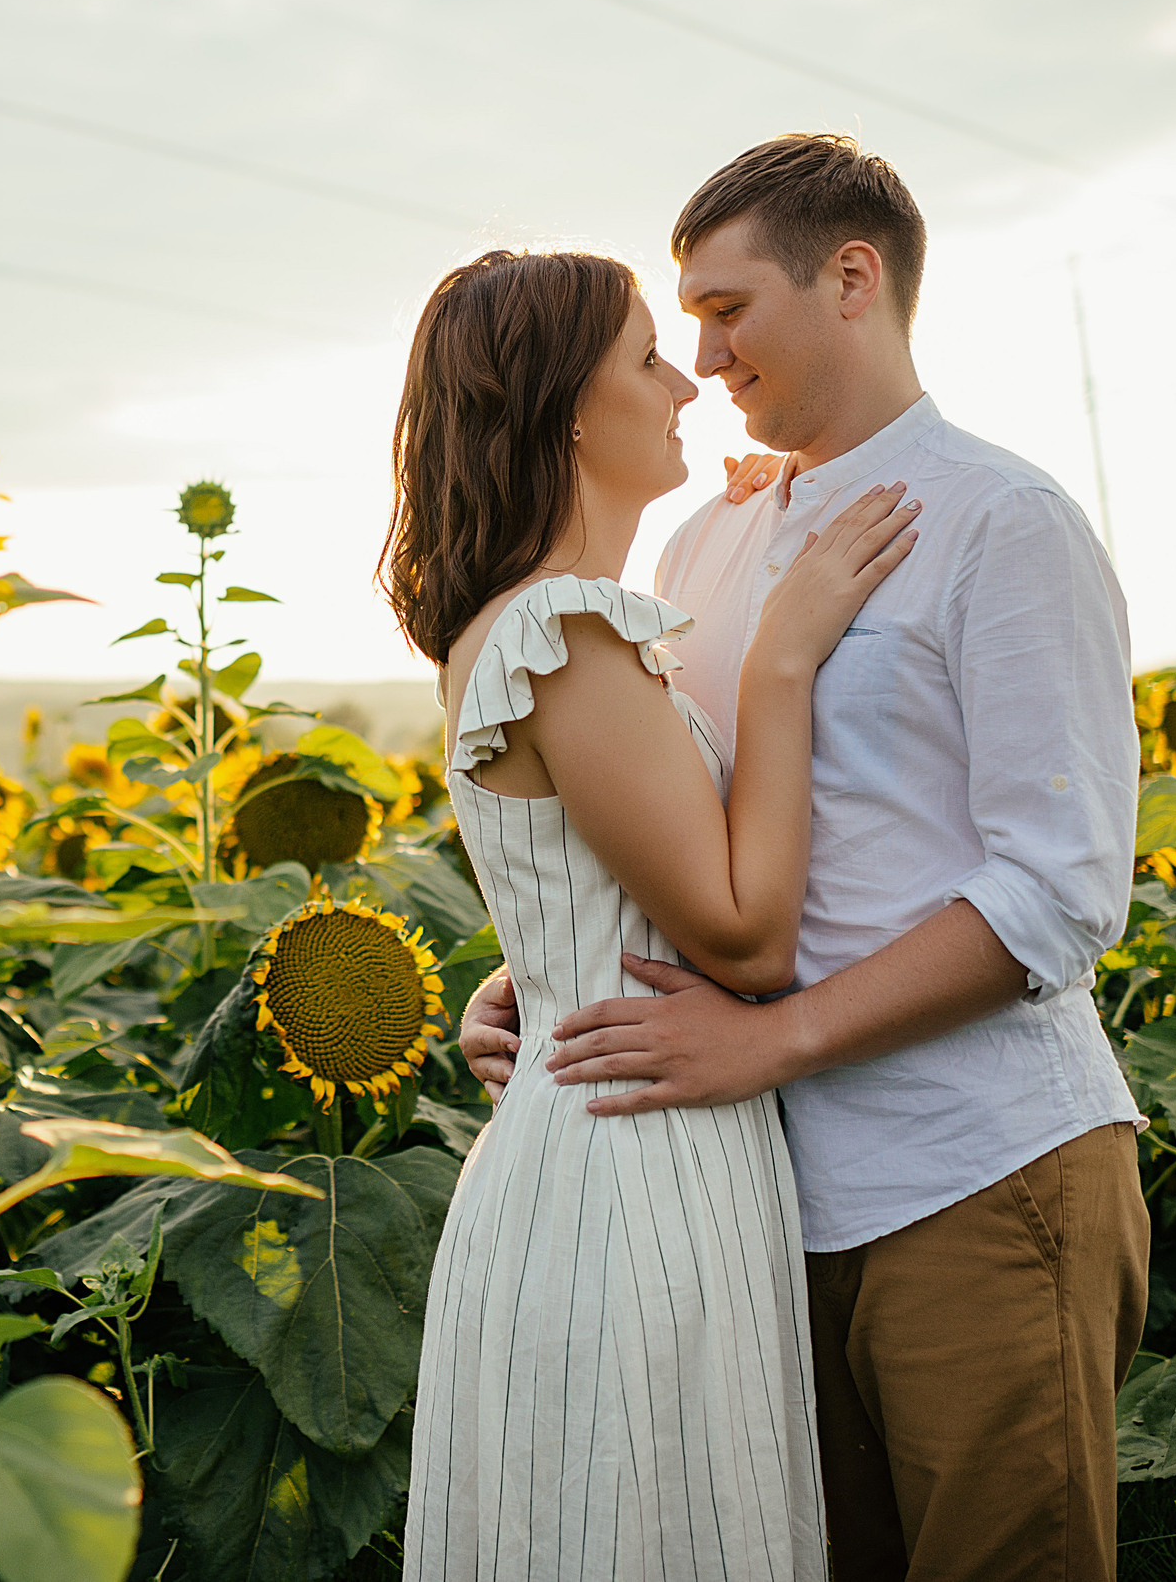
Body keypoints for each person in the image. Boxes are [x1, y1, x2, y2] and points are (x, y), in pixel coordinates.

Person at [459, 134, 1148, 1582]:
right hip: (756, 1206)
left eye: (726, 309)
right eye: (682, 323)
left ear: (852, 279)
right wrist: (540, 967)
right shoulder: (700, 548)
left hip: (977, 1173)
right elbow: (660, 817)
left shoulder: (999, 521)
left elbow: (1062, 892)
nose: (703, 358)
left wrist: (774, 1044)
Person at [390, 245, 920, 1581]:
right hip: (637, 1170)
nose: (685, 379)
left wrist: (749, 537)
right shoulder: (564, 630)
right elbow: (745, 933)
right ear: (570, 405)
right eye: (644, 355)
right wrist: (786, 652)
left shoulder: (529, 629)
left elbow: (588, 888)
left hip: (606, 1127)